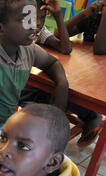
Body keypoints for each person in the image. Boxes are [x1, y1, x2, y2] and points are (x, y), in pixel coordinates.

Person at [0, 0, 69, 130]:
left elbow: (52, 63)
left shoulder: (28, 49)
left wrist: (62, 84)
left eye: (32, 18)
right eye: (24, 20)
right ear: (0, 28)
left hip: (7, 124)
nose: (33, 25)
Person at [20, 0, 103, 148]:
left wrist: (58, 15)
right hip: (21, 89)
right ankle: (90, 116)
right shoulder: (18, 35)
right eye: (33, 18)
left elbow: (66, 48)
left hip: (27, 85)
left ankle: (85, 117)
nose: (38, 23)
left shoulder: (40, 33)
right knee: (51, 91)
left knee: (59, 86)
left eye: (42, 18)